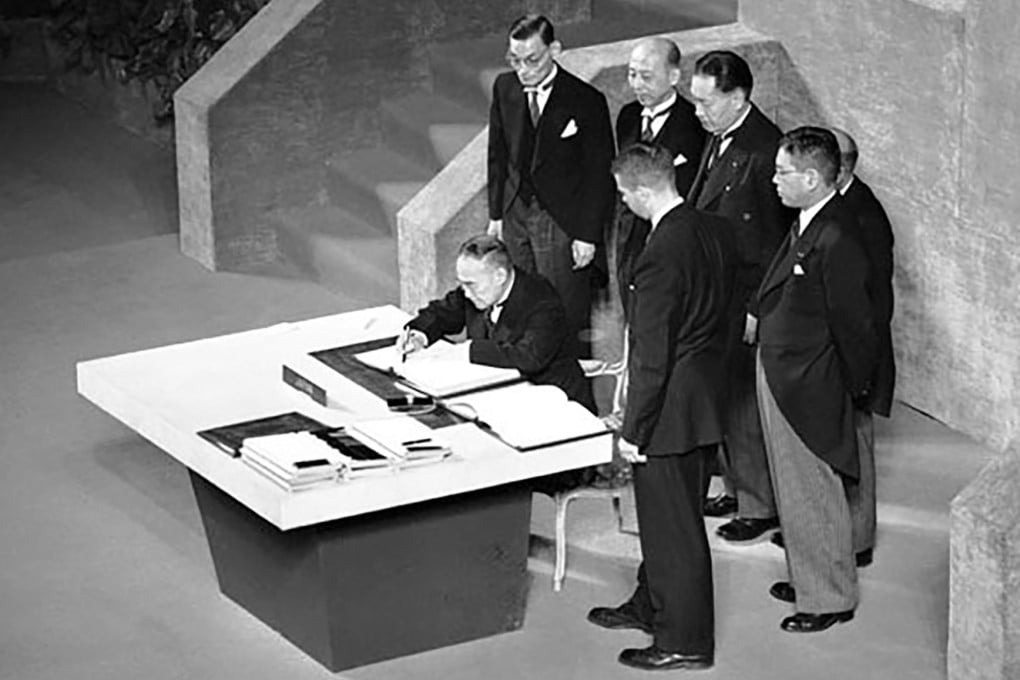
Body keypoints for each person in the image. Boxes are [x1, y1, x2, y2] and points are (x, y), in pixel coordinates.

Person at [587, 143, 736, 671]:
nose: (623, 203)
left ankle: (685, 641)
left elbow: (652, 355)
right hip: (705, 398)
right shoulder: (710, 229)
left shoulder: (658, 258)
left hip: (669, 411)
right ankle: (651, 605)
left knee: (674, 532)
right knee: (670, 521)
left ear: (644, 190)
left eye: (625, 194)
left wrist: (633, 429)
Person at [756, 126, 875, 633]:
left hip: (810, 379)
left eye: (783, 172)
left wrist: (850, 387)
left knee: (814, 487)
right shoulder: (808, 220)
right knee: (794, 486)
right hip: (784, 371)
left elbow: (855, 325)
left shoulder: (838, 234)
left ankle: (829, 596)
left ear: (810, 177)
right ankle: (811, 575)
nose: (774, 179)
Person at [771, 129, 894, 566]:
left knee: (851, 458)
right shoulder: (819, 214)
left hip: (848, 363)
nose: (776, 180)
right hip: (829, 359)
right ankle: (829, 542)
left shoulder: (858, 220)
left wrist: (854, 378)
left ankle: (852, 545)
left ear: (833, 169)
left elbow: (865, 308)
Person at [686, 49, 793, 543]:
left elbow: (777, 242)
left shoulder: (763, 149)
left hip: (744, 298)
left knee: (743, 402)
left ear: (738, 97)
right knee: (723, 395)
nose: (698, 111)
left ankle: (758, 502)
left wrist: (755, 309)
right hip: (717, 293)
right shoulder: (720, 137)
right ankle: (735, 484)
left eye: (707, 101)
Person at [487, 14, 615, 355]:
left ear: (554, 49)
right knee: (517, 305)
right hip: (515, 212)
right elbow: (497, 155)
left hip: (561, 219)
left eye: (532, 60)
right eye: (515, 60)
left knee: (565, 311)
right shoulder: (505, 88)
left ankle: (573, 394)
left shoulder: (585, 100)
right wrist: (496, 213)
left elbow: (599, 173)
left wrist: (588, 235)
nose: (523, 70)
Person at [397, 234, 593, 414]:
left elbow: (529, 357)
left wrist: (467, 351)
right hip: (498, 399)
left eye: (470, 284)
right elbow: (440, 313)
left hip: (554, 407)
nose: (465, 292)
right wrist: (417, 335)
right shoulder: (477, 290)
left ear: (499, 276)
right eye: (462, 284)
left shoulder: (541, 300)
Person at [614, 37, 705, 314]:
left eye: (646, 76)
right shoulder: (628, 116)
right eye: (632, 74)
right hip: (629, 236)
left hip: (671, 240)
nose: (637, 84)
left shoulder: (695, 123)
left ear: (674, 76)